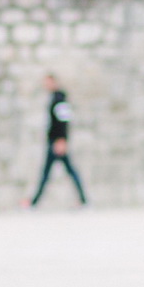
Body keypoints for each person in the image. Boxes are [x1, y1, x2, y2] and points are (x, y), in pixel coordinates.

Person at [28, 74, 88, 207]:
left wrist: (62, 140)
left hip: (56, 142)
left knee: (53, 172)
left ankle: (34, 202)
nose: (45, 85)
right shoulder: (55, 97)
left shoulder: (60, 98)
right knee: (62, 171)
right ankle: (83, 200)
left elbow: (64, 120)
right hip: (55, 141)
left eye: (48, 82)